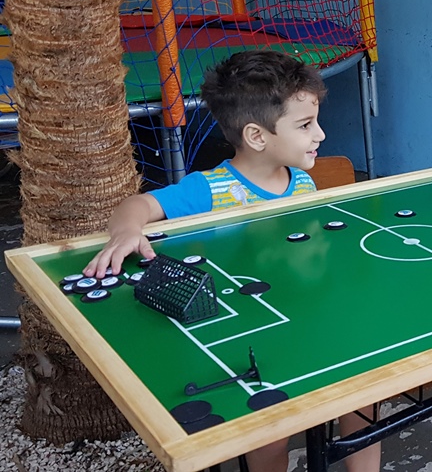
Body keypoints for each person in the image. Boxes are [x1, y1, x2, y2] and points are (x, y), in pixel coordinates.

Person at [83, 49, 381, 472]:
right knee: (270, 434)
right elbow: (138, 205)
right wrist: (126, 230)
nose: (320, 134)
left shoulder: (302, 181)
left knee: (364, 401)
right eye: (305, 125)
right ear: (257, 136)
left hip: (308, 318)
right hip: (251, 332)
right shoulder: (209, 190)